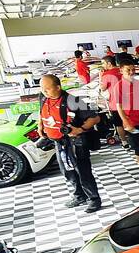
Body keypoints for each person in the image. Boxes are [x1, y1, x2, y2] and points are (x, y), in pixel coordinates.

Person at [38, 73, 103, 213]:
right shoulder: (43, 97)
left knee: (83, 170)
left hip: (75, 142)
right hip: (58, 142)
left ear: (58, 87)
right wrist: (40, 126)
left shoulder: (73, 101)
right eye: (42, 88)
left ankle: (94, 199)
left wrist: (80, 129)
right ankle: (79, 195)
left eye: (47, 88)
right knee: (67, 170)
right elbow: (41, 112)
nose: (44, 91)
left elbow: (95, 118)